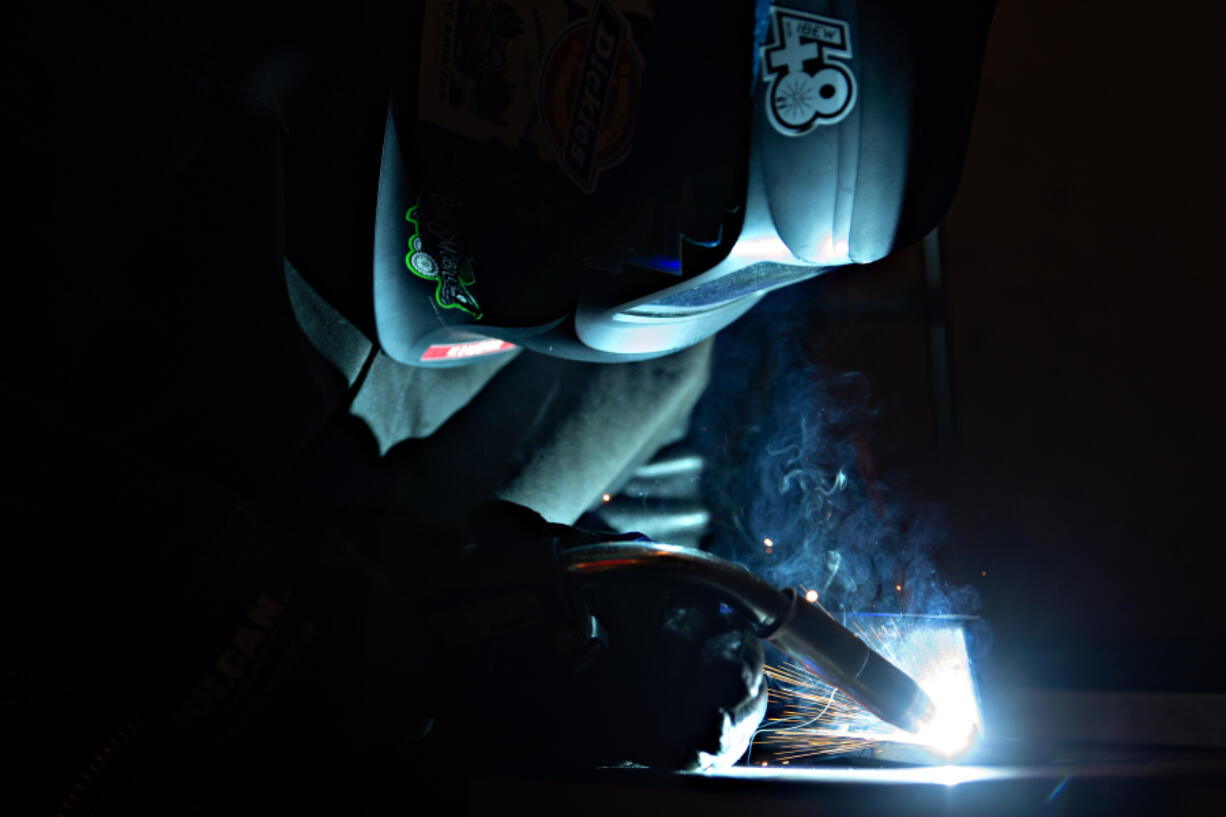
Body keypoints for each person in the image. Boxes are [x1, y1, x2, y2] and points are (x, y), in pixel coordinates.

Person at [7, 1, 993, 812]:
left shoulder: (638, 376)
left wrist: (662, 678)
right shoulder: (125, 119)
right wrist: (434, 680)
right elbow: (96, 580)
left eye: (689, 231)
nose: (648, 236)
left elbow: (648, 579)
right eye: (676, 194)